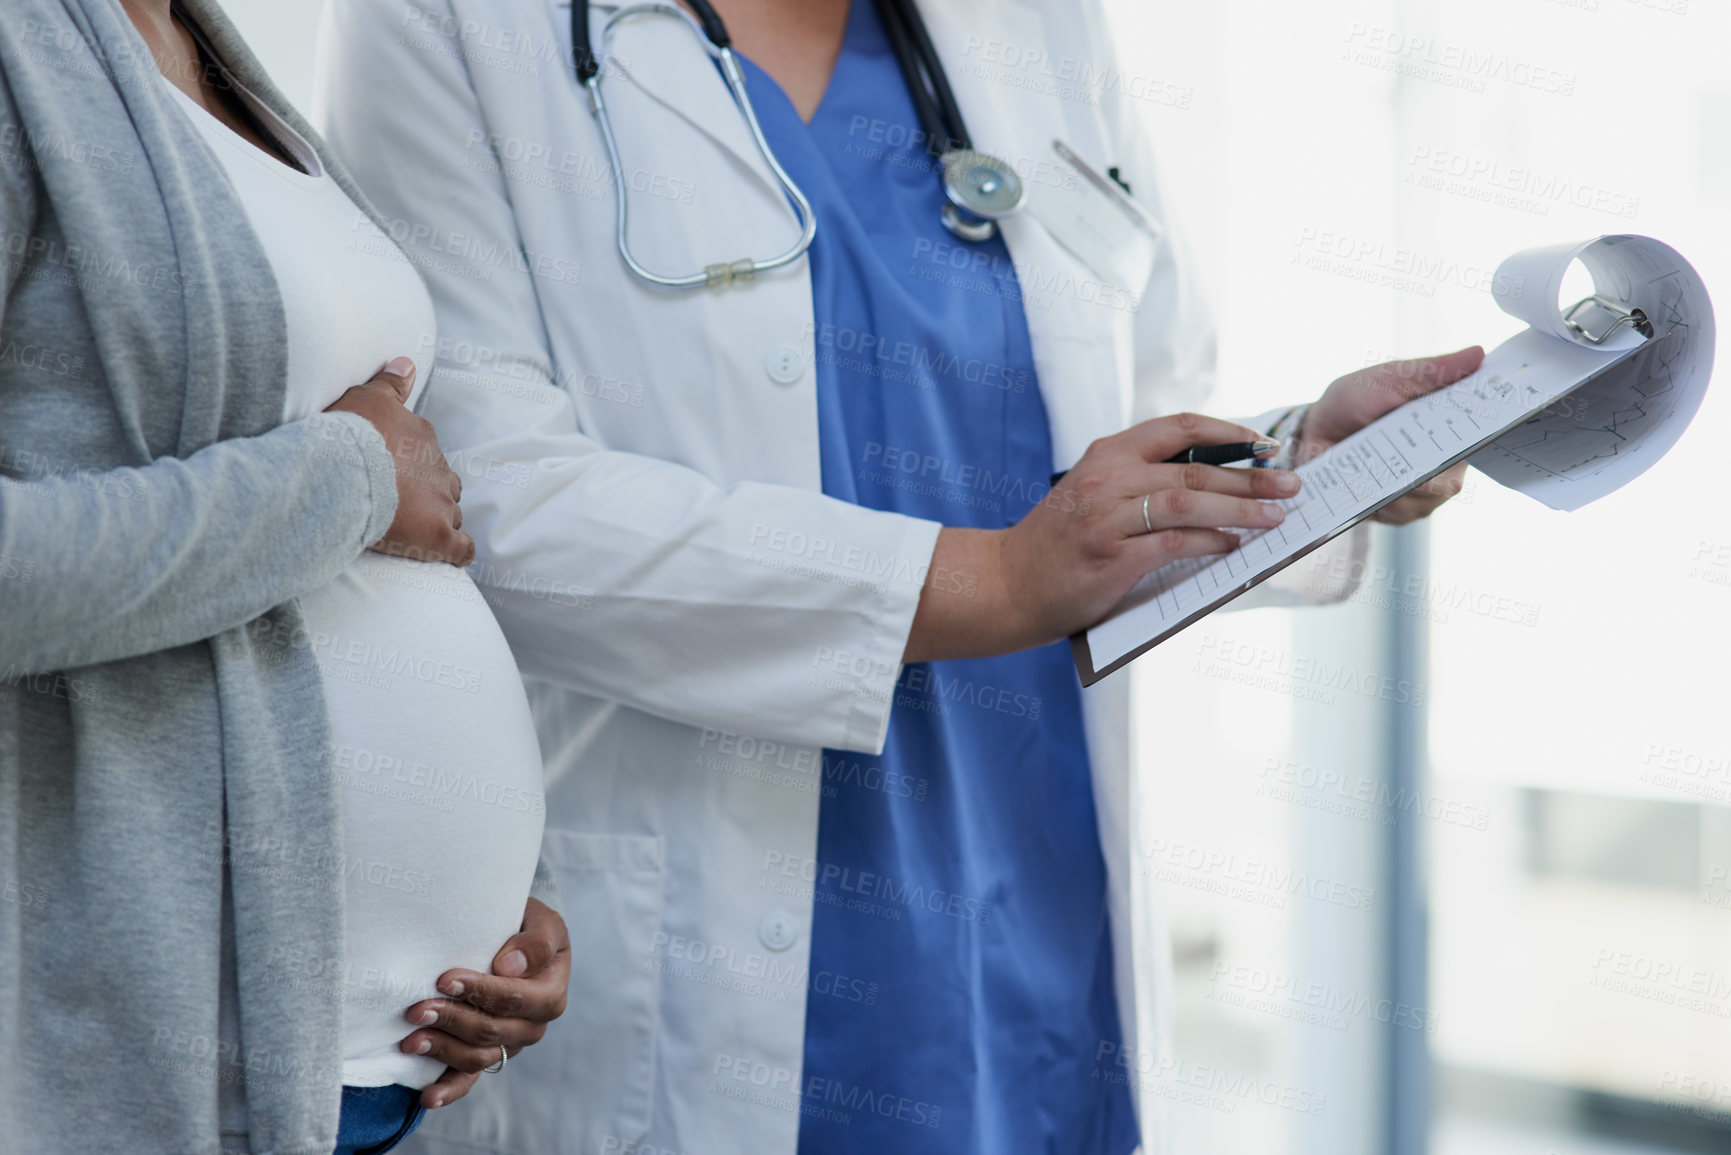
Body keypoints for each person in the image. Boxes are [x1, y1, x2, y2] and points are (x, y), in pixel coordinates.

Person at [317, 1, 1482, 1152]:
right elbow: (481, 496)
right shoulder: (452, 22)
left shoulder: (1039, 25)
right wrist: (1002, 578)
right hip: (696, 958)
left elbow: (1125, 440)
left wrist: (1294, 470)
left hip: (1035, 935)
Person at [0, 2, 571, 1152]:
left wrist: (487, 890)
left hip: (372, 1063)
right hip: (133, 1061)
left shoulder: (215, 57)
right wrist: (349, 481)